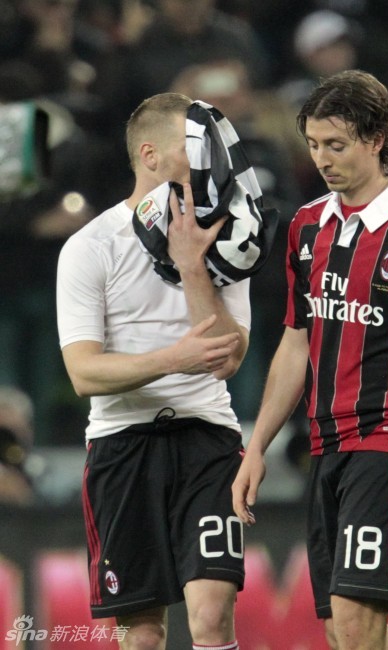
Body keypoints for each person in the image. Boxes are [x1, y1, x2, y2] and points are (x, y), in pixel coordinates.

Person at [231, 70, 388, 650]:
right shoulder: (305, 227)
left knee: (352, 621)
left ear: (376, 140)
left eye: (337, 145)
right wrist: (256, 447)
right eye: (315, 144)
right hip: (326, 447)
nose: (323, 159)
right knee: (341, 632)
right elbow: (297, 342)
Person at [56, 92, 250, 650]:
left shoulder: (228, 244)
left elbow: (230, 358)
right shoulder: (89, 247)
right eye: (197, 151)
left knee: (211, 615)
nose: (212, 165)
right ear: (151, 155)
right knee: (141, 632)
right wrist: (175, 359)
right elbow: (84, 374)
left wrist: (192, 266)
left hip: (207, 438)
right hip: (122, 445)